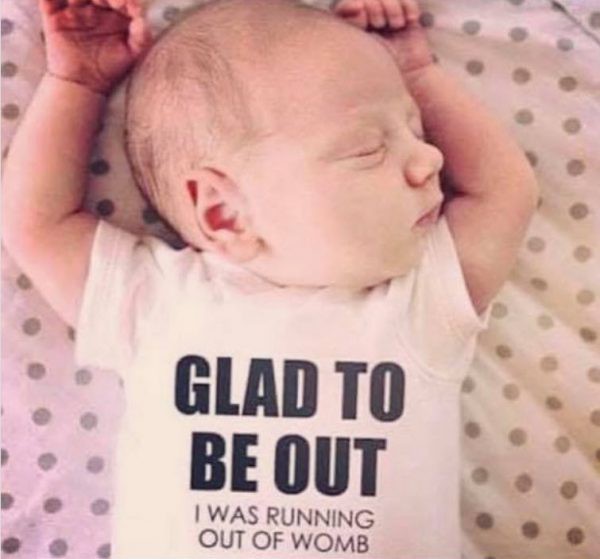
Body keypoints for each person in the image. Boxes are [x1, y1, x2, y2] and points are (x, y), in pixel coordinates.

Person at [1, 0, 540, 557]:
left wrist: (417, 73)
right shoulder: (158, 301)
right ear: (223, 213)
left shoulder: (422, 298)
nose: (430, 158)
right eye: (369, 149)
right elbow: (36, 224)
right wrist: (77, 84)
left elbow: (504, 193)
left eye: (416, 129)